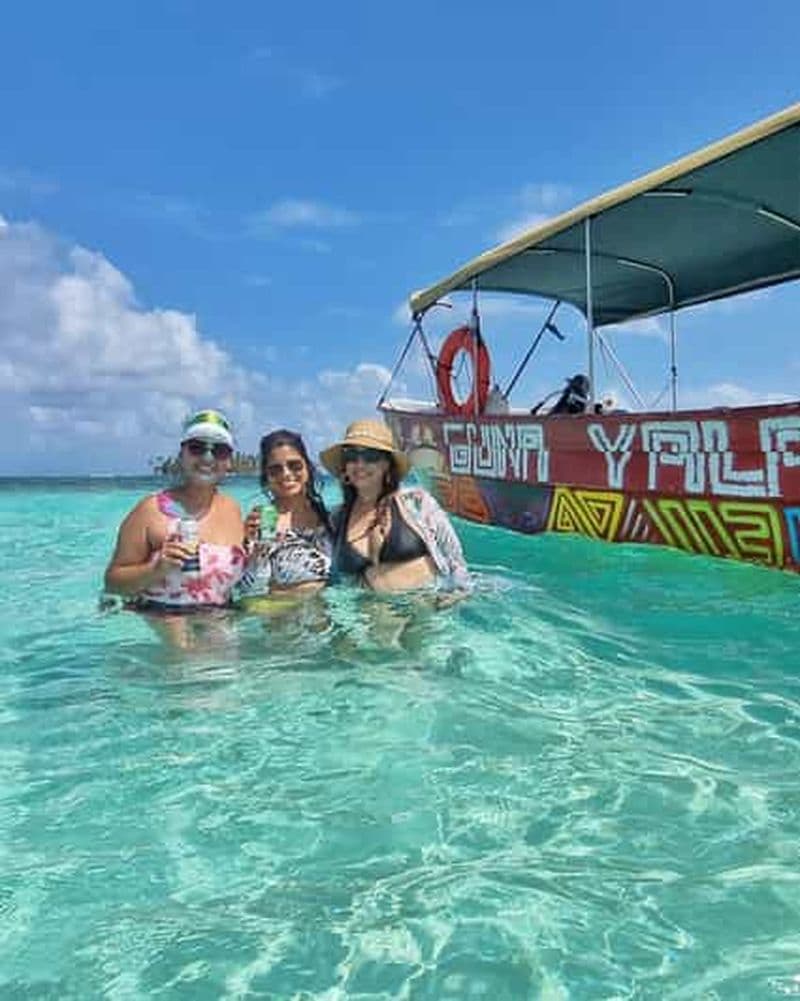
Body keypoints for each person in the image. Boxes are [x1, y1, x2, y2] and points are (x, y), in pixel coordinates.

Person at [104, 409, 246, 615]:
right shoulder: (151, 510)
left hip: (221, 627)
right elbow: (112, 583)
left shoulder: (233, 509)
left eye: (219, 450)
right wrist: (156, 570)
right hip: (164, 627)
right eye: (197, 448)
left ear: (229, 460)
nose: (207, 457)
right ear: (182, 454)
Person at [320, 418, 471, 594]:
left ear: (386, 464)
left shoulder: (417, 503)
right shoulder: (336, 520)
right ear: (344, 466)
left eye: (371, 456)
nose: (360, 464)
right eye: (351, 456)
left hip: (427, 610)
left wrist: (455, 596)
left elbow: (455, 560)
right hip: (366, 617)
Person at [237, 429, 333, 609]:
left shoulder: (329, 519)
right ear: (266, 477)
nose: (286, 474)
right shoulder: (261, 522)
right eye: (275, 470)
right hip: (283, 628)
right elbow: (249, 594)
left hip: (329, 626)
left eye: (294, 465)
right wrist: (253, 549)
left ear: (308, 468)